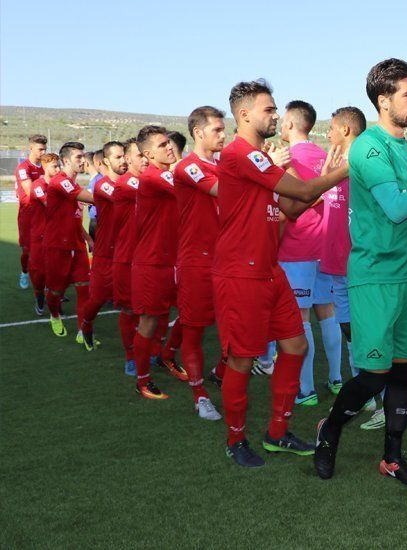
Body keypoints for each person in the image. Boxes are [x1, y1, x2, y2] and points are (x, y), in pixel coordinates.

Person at [313, 58, 407, 486]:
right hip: (374, 276)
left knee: (405, 369)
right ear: (383, 101)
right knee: (375, 373)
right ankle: (330, 429)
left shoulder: (402, 148)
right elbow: (397, 208)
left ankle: (392, 457)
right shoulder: (369, 146)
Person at [214, 79, 347, 467]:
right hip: (240, 274)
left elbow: (290, 208)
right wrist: (344, 170)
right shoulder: (240, 153)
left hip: (269, 270)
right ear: (244, 114)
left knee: (295, 346)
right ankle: (235, 440)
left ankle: (276, 433)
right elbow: (301, 196)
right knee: (241, 358)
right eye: (269, 109)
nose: (275, 115)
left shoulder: (263, 161)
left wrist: (318, 185)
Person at [278, 99, 343, 403]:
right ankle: (336, 378)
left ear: (290, 124)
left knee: (299, 318)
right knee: (328, 312)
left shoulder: (287, 158)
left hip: (297, 248)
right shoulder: (325, 154)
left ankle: (306, 389)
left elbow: (288, 209)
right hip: (325, 246)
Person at [172, 106, 228, 420]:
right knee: (194, 331)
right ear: (198, 133)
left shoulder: (221, 164)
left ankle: (220, 371)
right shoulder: (187, 167)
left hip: (227, 261)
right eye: (217, 130)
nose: (224, 135)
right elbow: (224, 190)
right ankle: (199, 395)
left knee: (237, 327)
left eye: (224, 129)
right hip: (196, 261)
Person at [321, 107, 373, 414]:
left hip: (357, 262)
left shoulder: (363, 164)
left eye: (331, 128)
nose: (328, 134)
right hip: (336, 262)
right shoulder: (336, 164)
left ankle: (370, 389)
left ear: (345, 129)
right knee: (350, 329)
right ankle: (362, 389)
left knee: (363, 329)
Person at [131, 126, 185, 399]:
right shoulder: (154, 177)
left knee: (192, 311)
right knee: (148, 323)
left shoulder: (165, 175)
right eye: (163, 144)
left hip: (174, 260)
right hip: (152, 263)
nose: (170, 147)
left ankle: (166, 355)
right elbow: (192, 188)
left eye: (170, 143)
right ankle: (142, 380)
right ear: (149, 153)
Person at [78, 141, 128, 351]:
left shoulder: (132, 183)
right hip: (106, 255)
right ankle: (86, 325)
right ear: (106, 161)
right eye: (118, 157)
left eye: (125, 156)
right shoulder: (102, 184)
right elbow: (124, 197)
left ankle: (133, 355)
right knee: (97, 299)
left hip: (128, 254)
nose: (123, 160)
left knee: (130, 305)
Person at [43, 142, 94, 338]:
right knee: (56, 291)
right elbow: (93, 199)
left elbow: (74, 218)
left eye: (83, 156)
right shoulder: (59, 182)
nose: (83, 161)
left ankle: (82, 330)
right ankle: (55, 315)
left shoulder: (73, 185)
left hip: (77, 245)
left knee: (84, 289)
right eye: (78, 157)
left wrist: (88, 239)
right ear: (65, 161)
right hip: (57, 246)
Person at [112, 139, 145, 376]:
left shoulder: (149, 180)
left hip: (149, 257)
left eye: (147, 154)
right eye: (139, 155)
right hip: (128, 258)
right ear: (128, 159)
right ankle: (130, 356)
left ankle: (150, 351)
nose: (145, 159)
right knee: (130, 310)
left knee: (153, 310)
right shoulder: (127, 183)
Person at [27, 152, 58, 316]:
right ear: (45, 166)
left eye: (59, 165)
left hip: (55, 236)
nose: (58, 169)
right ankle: (39, 297)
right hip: (39, 237)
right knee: (39, 274)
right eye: (55, 166)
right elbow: (48, 204)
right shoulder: (38, 185)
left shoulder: (58, 184)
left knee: (56, 272)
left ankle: (55, 305)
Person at [15, 134, 47, 290]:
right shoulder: (23, 167)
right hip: (28, 214)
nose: (43, 152)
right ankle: (24, 272)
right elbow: (30, 191)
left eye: (44, 149)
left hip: (44, 214)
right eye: (40, 149)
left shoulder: (46, 167)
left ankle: (47, 282)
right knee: (27, 251)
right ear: (31, 148)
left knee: (47, 248)